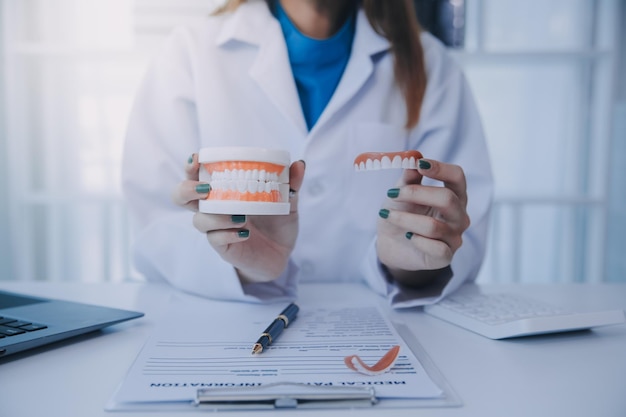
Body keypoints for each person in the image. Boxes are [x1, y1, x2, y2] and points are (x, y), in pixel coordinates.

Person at [122, 0, 493, 308]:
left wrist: (410, 265)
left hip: (378, 332)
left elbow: (462, 230)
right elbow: (155, 224)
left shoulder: (432, 67)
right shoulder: (189, 54)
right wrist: (245, 267)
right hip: (228, 324)